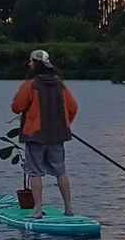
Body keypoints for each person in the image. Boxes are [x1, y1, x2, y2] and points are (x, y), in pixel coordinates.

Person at [11, 49, 78, 219]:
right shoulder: (60, 84)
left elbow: (16, 107)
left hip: (35, 136)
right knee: (60, 171)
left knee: (35, 172)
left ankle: (38, 210)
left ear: (36, 64)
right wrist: (65, 124)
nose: (29, 64)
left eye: (31, 61)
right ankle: (69, 209)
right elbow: (73, 107)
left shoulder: (30, 84)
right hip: (57, 136)